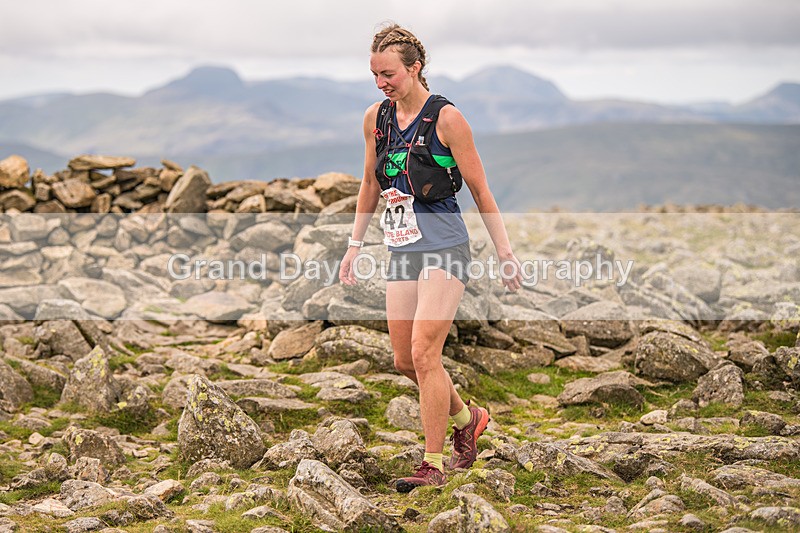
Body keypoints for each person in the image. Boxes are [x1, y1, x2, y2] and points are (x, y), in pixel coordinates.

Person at [339, 23, 523, 493]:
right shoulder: (375, 119)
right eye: (374, 74)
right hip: (402, 248)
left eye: (388, 74)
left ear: (415, 68)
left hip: (445, 247)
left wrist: (504, 252)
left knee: (425, 353)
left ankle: (433, 464)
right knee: (405, 360)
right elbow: (370, 183)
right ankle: (468, 419)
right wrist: (354, 246)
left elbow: (480, 189)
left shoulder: (447, 119)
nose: (380, 83)